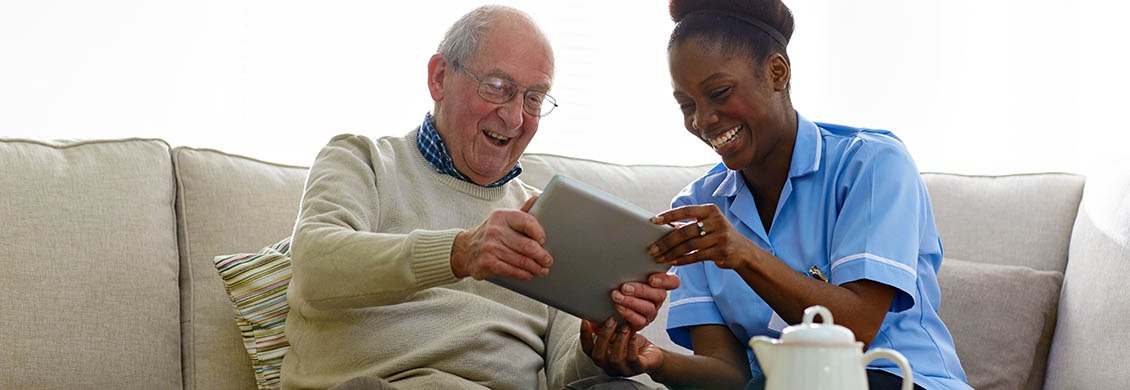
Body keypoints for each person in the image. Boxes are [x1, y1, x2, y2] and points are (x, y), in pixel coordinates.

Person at [281, 5, 679, 390]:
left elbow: (564, 376)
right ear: (439, 78)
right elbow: (316, 266)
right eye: (498, 88)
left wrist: (598, 347)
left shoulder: (547, 216)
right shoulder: (362, 160)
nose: (515, 117)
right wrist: (459, 253)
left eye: (534, 98)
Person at [581, 1, 972, 389]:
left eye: (719, 92)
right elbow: (729, 376)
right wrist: (654, 360)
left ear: (777, 72)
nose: (702, 120)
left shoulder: (871, 164)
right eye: (687, 105)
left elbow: (855, 332)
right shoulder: (696, 208)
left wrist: (743, 253)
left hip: (900, 380)